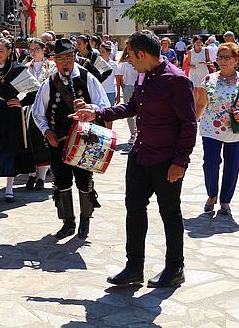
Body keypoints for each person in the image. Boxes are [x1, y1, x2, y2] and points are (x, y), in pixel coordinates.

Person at [71, 30, 196, 288]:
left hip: (166, 161)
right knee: (134, 210)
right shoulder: (143, 76)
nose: (126, 60)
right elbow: (131, 107)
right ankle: (133, 267)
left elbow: (188, 125)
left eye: (129, 55)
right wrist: (96, 113)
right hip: (140, 156)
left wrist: (179, 162)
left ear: (142, 54)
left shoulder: (176, 80)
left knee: (170, 213)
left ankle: (175, 268)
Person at [31, 39, 109, 240]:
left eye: (68, 57)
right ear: (55, 60)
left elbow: (104, 105)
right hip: (59, 142)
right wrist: (47, 132)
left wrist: (90, 108)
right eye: (60, 58)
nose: (65, 62)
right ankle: (68, 222)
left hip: (85, 141)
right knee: (62, 181)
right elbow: (38, 112)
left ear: (74, 57)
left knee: (84, 181)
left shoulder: (87, 78)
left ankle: (85, 221)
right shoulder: (49, 83)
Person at [194, 42, 239, 218]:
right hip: (210, 129)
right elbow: (201, 103)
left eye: (227, 57)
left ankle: (225, 201)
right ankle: (212, 195)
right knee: (210, 163)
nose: (223, 61)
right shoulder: (209, 79)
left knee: (232, 166)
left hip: (235, 131)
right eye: (220, 57)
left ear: (236, 59)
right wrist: (192, 122)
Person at [0, 38, 39, 203]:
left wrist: (21, 102)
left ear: (9, 51)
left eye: (1, 51)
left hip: (11, 114)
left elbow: (35, 89)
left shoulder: (18, 69)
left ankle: (9, 189)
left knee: (10, 149)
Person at [25, 39, 55, 189]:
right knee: (29, 142)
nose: (33, 52)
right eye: (31, 49)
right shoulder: (25, 68)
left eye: (37, 49)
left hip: (44, 109)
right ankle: (31, 174)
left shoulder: (51, 66)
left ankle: (42, 177)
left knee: (41, 142)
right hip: (28, 110)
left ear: (44, 50)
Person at [114, 49, 139, 147]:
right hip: (128, 87)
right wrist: (120, 92)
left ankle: (138, 131)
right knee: (129, 112)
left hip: (138, 87)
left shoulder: (139, 62)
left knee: (139, 111)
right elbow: (119, 79)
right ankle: (132, 133)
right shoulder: (123, 64)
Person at [98, 42, 120, 106]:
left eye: (103, 52)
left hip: (110, 92)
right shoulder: (96, 64)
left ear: (109, 53)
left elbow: (118, 80)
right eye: (100, 52)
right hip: (100, 92)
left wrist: (118, 94)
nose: (101, 54)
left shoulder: (114, 65)